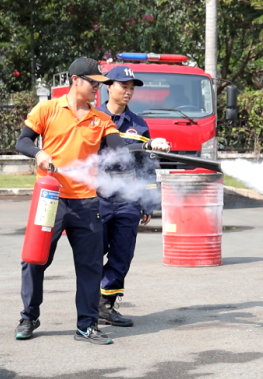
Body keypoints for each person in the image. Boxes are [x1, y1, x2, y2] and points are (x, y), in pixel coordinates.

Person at [13, 57, 140, 345]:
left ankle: (86, 326)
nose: (98, 88)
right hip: (50, 199)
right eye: (93, 82)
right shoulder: (48, 108)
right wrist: (39, 154)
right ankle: (29, 316)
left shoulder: (101, 119)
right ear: (75, 80)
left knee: (90, 265)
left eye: (100, 83)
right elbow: (22, 141)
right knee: (35, 260)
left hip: (85, 203)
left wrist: (148, 147)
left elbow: (120, 151)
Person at [95, 65, 170, 327]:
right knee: (93, 252)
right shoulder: (92, 118)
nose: (128, 91)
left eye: (131, 87)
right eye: (123, 86)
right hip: (97, 196)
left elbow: (148, 165)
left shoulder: (138, 124)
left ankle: (106, 306)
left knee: (122, 254)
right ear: (108, 87)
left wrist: (148, 201)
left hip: (128, 197)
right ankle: (88, 304)